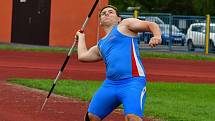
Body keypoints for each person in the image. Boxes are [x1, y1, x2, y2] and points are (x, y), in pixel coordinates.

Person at [76, 5, 162, 121]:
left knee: (132, 118)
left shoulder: (125, 25)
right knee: (91, 117)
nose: (106, 13)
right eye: (103, 13)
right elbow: (82, 56)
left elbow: (150, 24)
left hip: (132, 82)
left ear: (118, 19)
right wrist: (81, 37)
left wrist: (157, 36)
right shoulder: (101, 45)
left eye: (110, 12)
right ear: (100, 22)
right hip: (110, 84)